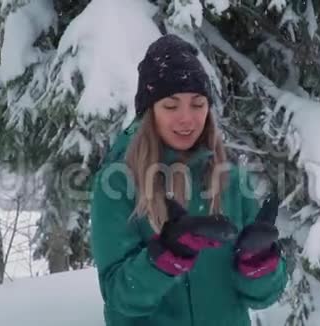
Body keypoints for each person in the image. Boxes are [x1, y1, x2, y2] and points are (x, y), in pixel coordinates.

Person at [90, 34, 291, 326]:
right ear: (150, 112)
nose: (187, 118)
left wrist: (258, 263)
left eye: (197, 104)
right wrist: (166, 256)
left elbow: (262, 297)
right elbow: (120, 297)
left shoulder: (231, 181)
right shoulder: (118, 183)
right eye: (171, 106)